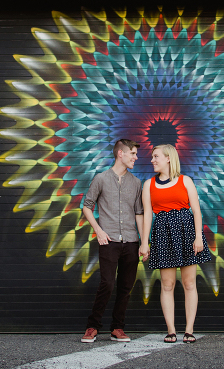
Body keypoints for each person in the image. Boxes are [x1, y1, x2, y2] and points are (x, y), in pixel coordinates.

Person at [139, 144, 212, 344]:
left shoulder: (185, 181)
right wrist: (144, 243)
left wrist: (198, 236)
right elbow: (147, 216)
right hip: (162, 233)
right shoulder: (148, 185)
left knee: (189, 284)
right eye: (152, 157)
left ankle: (189, 330)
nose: (152, 160)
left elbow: (196, 211)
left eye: (156, 156)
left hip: (187, 232)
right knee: (167, 285)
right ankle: (171, 330)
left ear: (168, 158)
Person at [80, 138, 144, 343]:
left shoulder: (136, 182)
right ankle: (92, 326)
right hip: (108, 241)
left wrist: (143, 242)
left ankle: (117, 328)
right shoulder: (101, 178)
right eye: (133, 153)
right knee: (107, 284)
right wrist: (98, 230)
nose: (136, 157)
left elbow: (139, 213)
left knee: (126, 287)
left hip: (131, 242)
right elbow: (87, 206)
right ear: (120, 154)